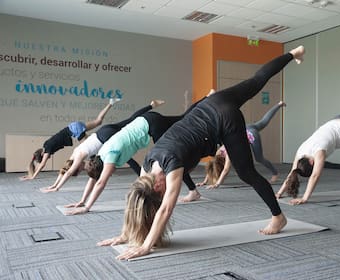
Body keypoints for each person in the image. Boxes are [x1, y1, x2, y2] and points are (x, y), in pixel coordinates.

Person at [97, 46, 305, 260]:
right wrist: (125, 234)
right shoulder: (147, 167)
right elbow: (135, 201)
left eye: (160, 193)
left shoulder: (172, 166)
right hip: (211, 103)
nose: (163, 193)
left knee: (246, 172)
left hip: (224, 119)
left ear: (158, 186)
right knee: (256, 81)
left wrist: (146, 246)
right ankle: (294, 53)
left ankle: (278, 217)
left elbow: (166, 209)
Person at [63, 93, 212, 215]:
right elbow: (95, 179)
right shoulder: (100, 155)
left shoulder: (110, 156)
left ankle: (193, 191)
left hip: (151, 125)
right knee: (182, 118)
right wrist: (82, 200)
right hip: (147, 120)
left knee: (170, 159)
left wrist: (87, 207)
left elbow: (101, 182)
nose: (111, 173)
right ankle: (207, 97)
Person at [39, 100, 165, 193]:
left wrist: (57, 188)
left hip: (106, 136)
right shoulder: (74, 155)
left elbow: (69, 172)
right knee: (131, 119)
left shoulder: (77, 158)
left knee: (127, 158)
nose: (82, 168)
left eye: (79, 170)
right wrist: (54, 185)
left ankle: (141, 177)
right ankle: (151, 105)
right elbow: (65, 171)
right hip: (102, 132)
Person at [20, 98, 120, 181]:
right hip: (73, 126)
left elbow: (42, 165)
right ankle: (110, 103)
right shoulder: (46, 145)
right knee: (98, 121)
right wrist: (30, 174)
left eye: (46, 157)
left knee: (90, 146)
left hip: (74, 130)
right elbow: (41, 163)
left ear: (42, 154)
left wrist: (33, 176)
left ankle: (100, 169)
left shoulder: (47, 148)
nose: (48, 157)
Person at [197, 101, 286, 189]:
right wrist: (204, 182)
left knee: (259, 158)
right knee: (263, 122)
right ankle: (279, 104)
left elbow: (226, 170)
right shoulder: (218, 152)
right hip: (247, 127)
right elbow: (212, 166)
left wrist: (217, 184)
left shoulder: (228, 153)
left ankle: (275, 173)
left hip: (251, 134)